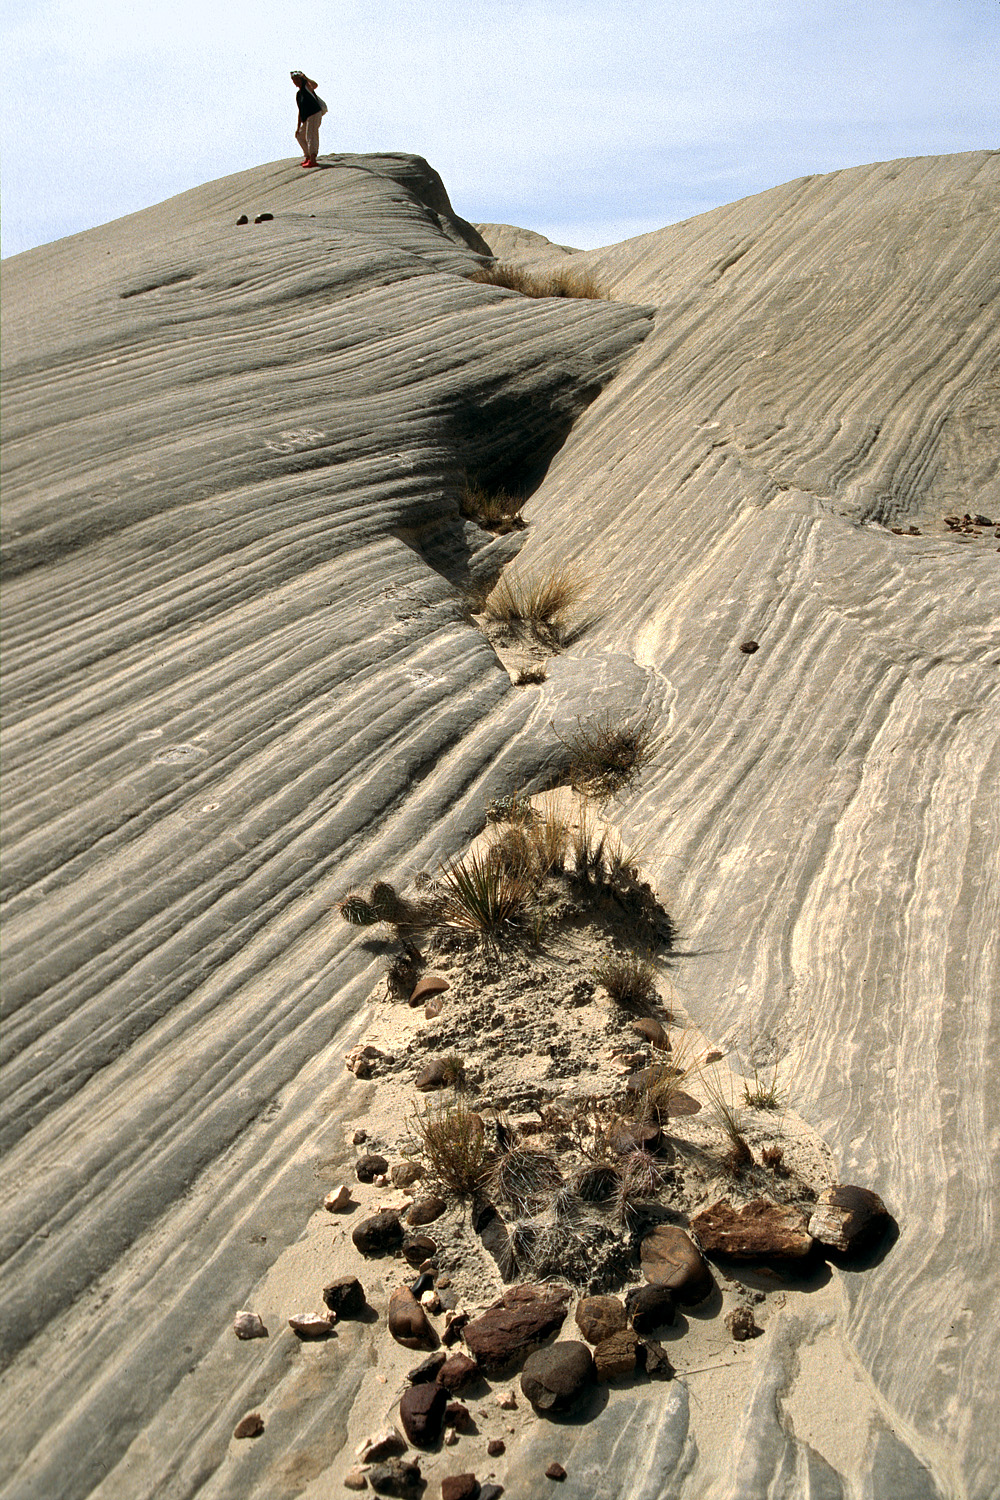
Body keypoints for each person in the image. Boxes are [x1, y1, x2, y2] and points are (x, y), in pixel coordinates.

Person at [291, 70, 326, 168]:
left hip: (315, 113)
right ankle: (308, 156)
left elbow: (315, 85)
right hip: (307, 117)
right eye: (294, 80)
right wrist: (298, 127)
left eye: (298, 79)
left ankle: (313, 159)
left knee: (311, 135)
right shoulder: (298, 94)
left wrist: (305, 77)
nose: (296, 81)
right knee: (300, 135)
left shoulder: (307, 87)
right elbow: (300, 111)